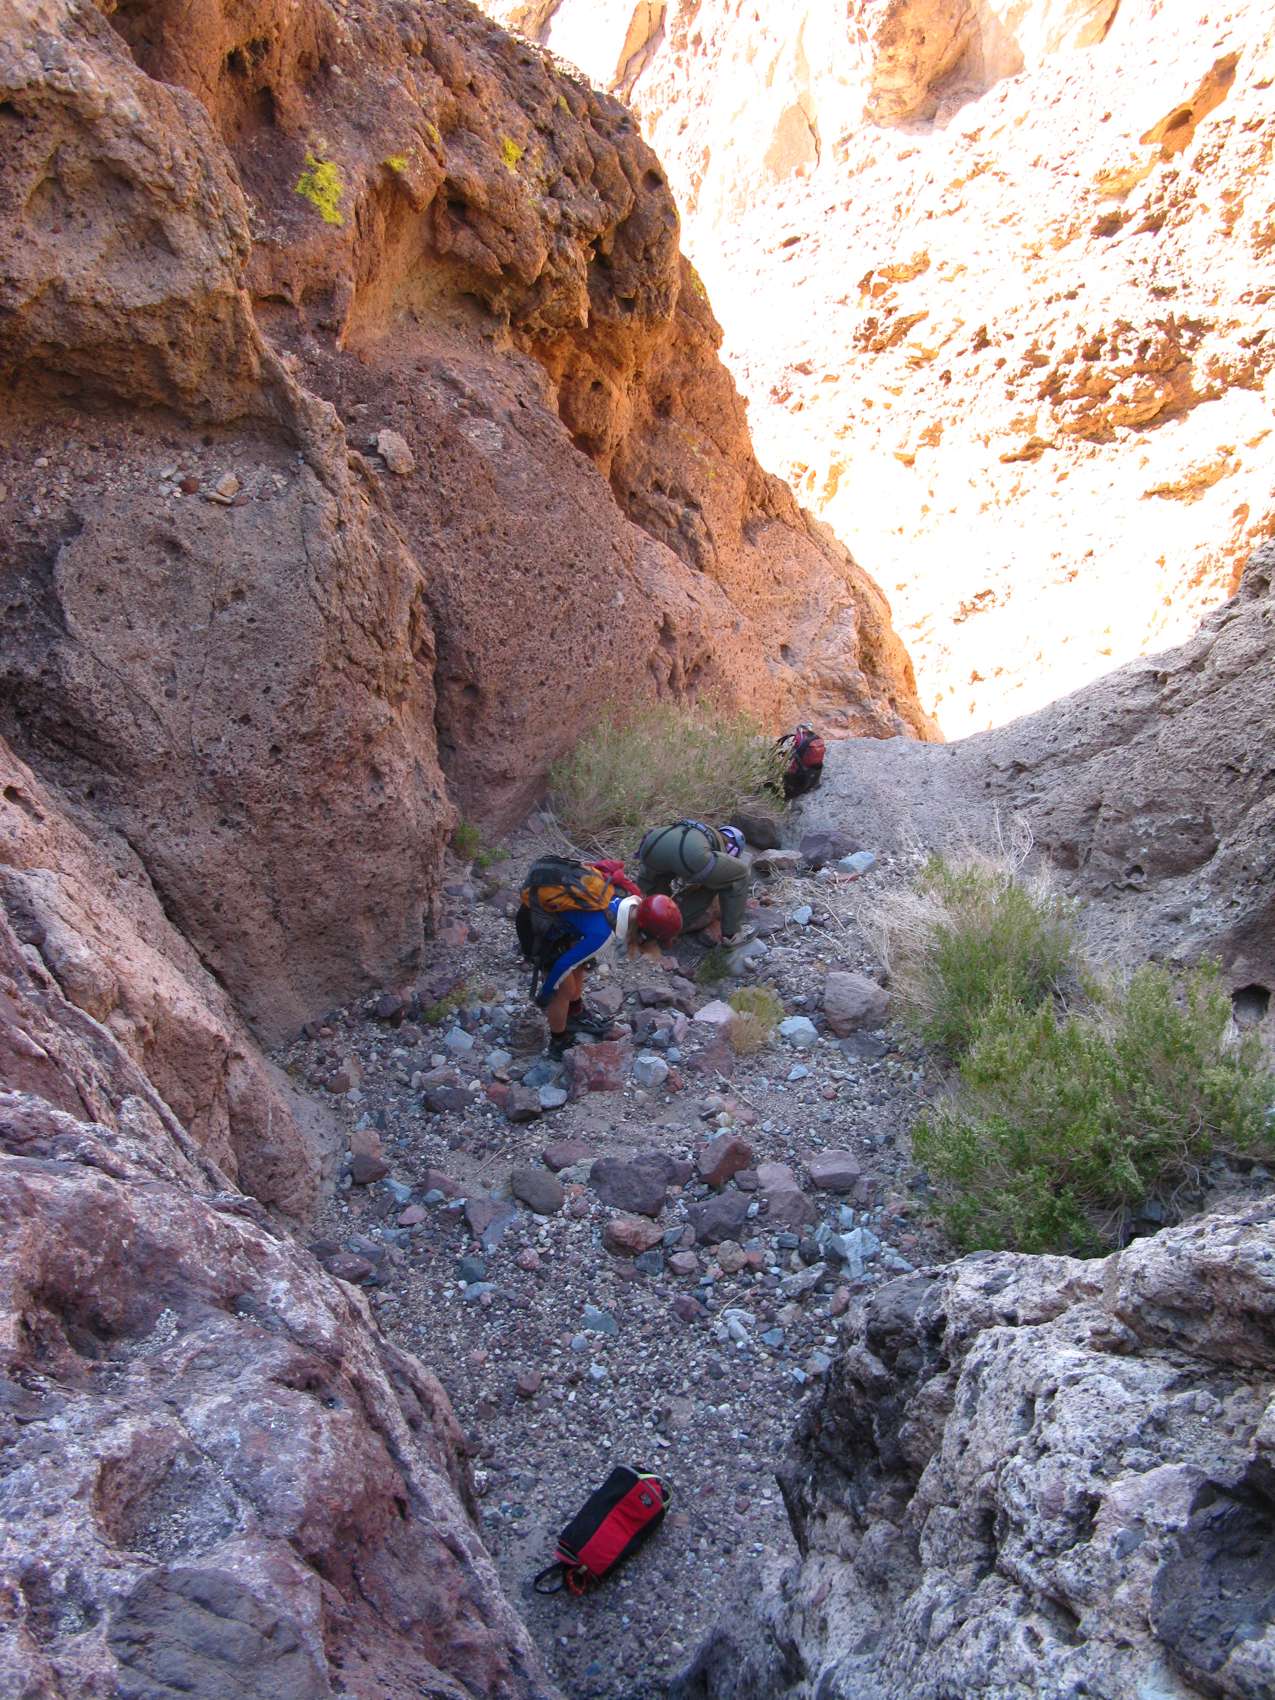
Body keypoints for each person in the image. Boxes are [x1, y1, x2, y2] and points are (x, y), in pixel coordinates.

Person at [518, 857, 682, 1058]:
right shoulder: (602, 934)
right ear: (644, 935)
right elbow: (563, 965)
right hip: (535, 926)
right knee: (562, 989)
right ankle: (558, 1041)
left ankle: (575, 1013)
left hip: (563, 926)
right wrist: (546, 993)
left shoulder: (629, 898)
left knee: (580, 965)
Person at [635, 820, 754, 947]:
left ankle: (642, 924)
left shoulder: (700, 834)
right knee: (735, 876)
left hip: (653, 844)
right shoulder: (717, 845)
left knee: (656, 894)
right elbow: (724, 874)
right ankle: (731, 936)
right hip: (688, 855)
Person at [777, 723, 825, 801]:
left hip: (797, 782)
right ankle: (811, 784)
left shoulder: (800, 739)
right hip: (812, 777)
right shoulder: (816, 740)